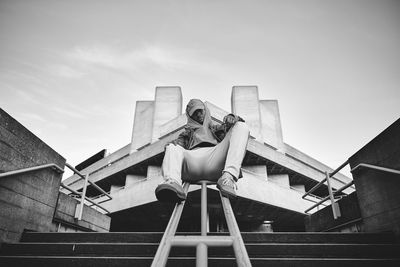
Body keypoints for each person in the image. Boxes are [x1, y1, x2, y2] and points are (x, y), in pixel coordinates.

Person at [155, 99, 250, 203]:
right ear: (190, 117)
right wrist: (169, 148)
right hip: (192, 164)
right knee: (172, 147)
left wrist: (233, 118)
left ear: (206, 110)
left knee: (241, 126)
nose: (199, 115)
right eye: (195, 114)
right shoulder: (185, 134)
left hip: (215, 159)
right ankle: (173, 182)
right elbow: (176, 149)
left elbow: (233, 130)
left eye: (200, 111)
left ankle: (228, 177)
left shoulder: (218, 129)